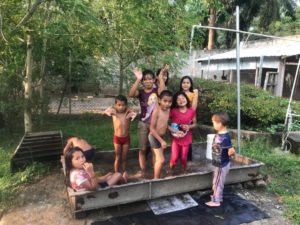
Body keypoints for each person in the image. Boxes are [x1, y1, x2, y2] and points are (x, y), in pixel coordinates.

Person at [129, 67, 166, 177]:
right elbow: (131, 94)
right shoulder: (140, 92)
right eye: (145, 79)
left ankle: (156, 168)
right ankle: (143, 170)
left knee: (155, 149)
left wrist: (160, 78)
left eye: (150, 79)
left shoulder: (156, 91)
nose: (148, 81)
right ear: (142, 82)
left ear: (154, 80)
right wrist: (138, 79)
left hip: (155, 125)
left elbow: (163, 91)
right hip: (143, 124)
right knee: (143, 148)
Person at [101, 95, 137, 180]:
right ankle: (116, 173)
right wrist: (107, 111)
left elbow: (135, 113)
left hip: (126, 139)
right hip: (117, 138)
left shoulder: (128, 113)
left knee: (124, 157)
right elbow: (103, 113)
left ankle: (124, 173)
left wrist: (133, 112)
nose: (121, 107)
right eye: (119, 105)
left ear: (126, 105)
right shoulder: (114, 112)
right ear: (115, 105)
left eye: (123, 105)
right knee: (117, 156)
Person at [205, 112, 235, 207]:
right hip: (218, 164)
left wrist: (231, 153)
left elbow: (231, 150)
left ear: (219, 124)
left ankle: (216, 201)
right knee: (216, 182)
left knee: (217, 183)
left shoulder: (224, 137)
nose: (213, 125)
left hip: (221, 165)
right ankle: (218, 197)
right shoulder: (220, 134)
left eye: (214, 123)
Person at [169, 91, 197, 174]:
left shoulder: (191, 111)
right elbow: (166, 123)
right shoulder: (173, 111)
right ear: (175, 102)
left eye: (183, 98)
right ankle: (171, 171)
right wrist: (174, 130)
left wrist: (189, 126)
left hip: (186, 138)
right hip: (176, 139)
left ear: (186, 99)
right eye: (178, 99)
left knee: (184, 158)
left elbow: (195, 124)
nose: (181, 100)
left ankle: (184, 173)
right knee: (174, 158)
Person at [148, 90, 173, 179]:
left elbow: (165, 124)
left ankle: (157, 176)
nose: (167, 104)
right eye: (165, 101)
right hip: (154, 137)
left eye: (169, 102)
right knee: (161, 160)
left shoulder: (168, 110)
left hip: (161, 137)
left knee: (158, 160)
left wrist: (175, 131)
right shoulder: (156, 111)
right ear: (159, 100)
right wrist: (161, 141)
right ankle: (155, 179)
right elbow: (151, 128)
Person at [179, 76, 199, 162]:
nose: (185, 84)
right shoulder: (178, 94)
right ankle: (180, 159)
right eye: (184, 82)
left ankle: (188, 160)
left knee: (187, 140)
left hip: (188, 119)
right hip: (179, 119)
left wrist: (196, 95)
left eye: (188, 83)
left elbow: (193, 108)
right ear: (181, 84)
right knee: (179, 138)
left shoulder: (192, 94)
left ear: (190, 84)